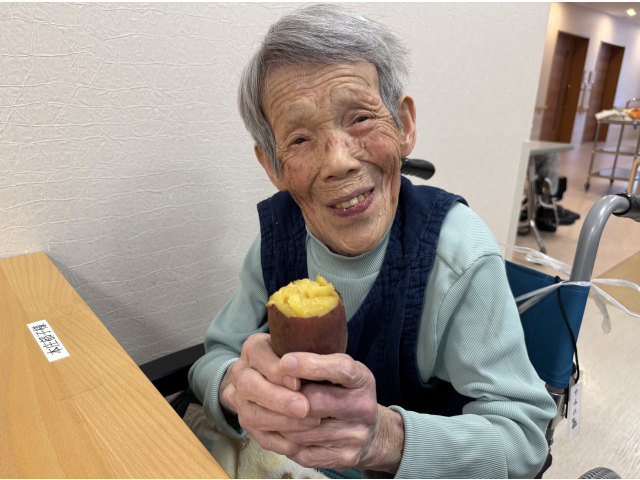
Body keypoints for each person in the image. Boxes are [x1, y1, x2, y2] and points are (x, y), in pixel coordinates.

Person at [189, 5, 557, 478]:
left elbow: (525, 440)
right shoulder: (278, 241)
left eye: (361, 118)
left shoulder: (458, 254)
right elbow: (213, 359)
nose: (338, 161)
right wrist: (236, 387)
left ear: (404, 125)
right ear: (272, 166)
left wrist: (385, 437)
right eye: (299, 139)